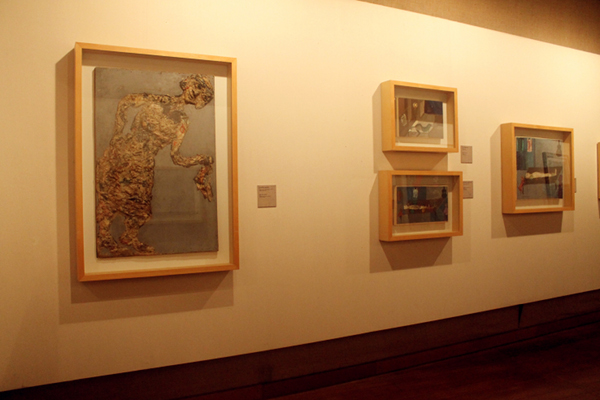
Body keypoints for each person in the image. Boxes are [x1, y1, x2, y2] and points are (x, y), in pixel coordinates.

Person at [95, 74, 214, 257]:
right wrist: (117, 134)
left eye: (201, 94)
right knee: (111, 198)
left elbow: (176, 158)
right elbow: (125, 102)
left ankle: (130, 238)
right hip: (123, 154)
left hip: (144, 165)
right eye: (196, 87)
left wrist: (201, 159)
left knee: (141, 209)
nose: (195, 93)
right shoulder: (157, 100)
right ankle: (104, 238)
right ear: (187, 84)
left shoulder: (182, 122)